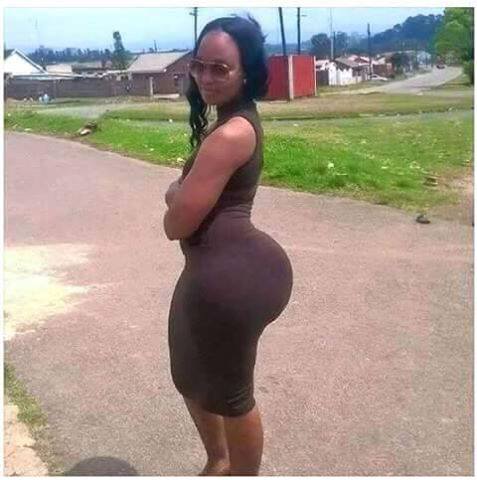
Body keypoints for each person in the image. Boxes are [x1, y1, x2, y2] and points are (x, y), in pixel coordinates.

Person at [163, 15, 293, 476]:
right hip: (216, 273)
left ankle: (239, 472)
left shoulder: (233, 133)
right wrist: (183, 192)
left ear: (246, 73)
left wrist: (173, 194)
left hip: (233, 283)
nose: (206, 77)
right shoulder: (231, 122)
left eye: (221, 68)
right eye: (200, 65)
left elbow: (177, 224)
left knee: (232, 395)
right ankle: (218, 461)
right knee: (188, 375)